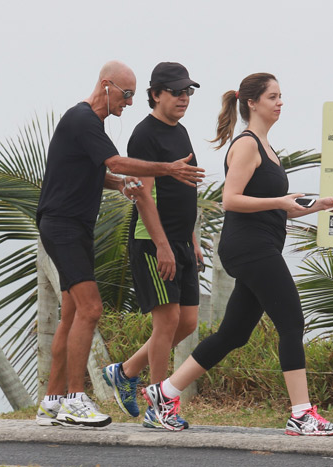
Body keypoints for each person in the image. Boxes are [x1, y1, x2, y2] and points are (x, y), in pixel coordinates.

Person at [142, 73, 333, 436]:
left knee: (233, 333)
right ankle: (301, 413)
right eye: (273, 97)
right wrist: (280, 201)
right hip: (249, 247)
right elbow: (230, 200)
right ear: (252, 103)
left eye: (281, 96)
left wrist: (318, 204)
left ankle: (164, 392)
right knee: (292, 323)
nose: (280, 102)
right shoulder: (247, 144)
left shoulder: (267, 148)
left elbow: (280, 207)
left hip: (258, 246)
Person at [34, 60, 204, 428]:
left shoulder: (91, 125)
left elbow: (100, 172)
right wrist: (168, 169)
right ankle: (75, 400)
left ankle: (52, 402)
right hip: (62, 226)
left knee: (71, 315)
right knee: (91, 309)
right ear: (106, 85)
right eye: (126, 94)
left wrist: (119, 185)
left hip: (74, 226)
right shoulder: (82, 119)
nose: (128, 102)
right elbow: (115, 160)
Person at [101, 62, 202, 430]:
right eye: (176, 91)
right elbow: (143, 195)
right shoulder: (144, 135)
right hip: (151, 241)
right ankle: (159, 407)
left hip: (181, 241)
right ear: (156, 93)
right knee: (167, 320)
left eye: (188, 91)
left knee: (187, 322)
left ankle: (125, 371)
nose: (183, 98)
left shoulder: (183, 132)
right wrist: (163, 246)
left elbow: (185, 188)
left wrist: (191, 240)